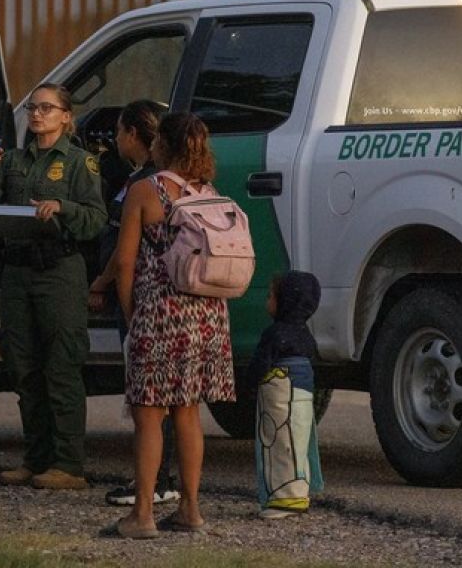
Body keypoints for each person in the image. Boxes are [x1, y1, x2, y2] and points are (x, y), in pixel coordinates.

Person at [0, 83, 107, 491]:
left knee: (61, 366)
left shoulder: (80, 163)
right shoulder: (12, 161)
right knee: (23, 367)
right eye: (34, 108)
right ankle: (36, 457)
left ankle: (68, 463)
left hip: (59, 270)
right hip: (17, 272)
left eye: (47, 108)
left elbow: (96, 219)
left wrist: (63, 207)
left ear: (66, 116)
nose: (37, 114)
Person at [113, 111, 235, 539]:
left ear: (161, 144)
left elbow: (126, 261)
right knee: (188, 414)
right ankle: (191, 507)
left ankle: (143, 513)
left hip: (161, 313)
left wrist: (133, 317)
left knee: (148, 417)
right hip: (207, 316)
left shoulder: (145, 190)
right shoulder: (209, 193)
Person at [88, 100, 180, 508]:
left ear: (132, 134)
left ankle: (157, 480)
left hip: (143, 298)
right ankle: (165, 481)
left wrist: (105, 284)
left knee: (149, 399)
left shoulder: (147, 184)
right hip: (153, 298)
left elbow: (125, 253)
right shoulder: (147, 180)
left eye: (120, 131)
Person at [249, 271, 324, 520]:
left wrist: (250, 384)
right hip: (303, 394)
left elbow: (260, 365)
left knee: (279, 440)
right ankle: (299, 492)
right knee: (298, 441)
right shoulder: (306, 335)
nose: (267, 300)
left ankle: (283, 498)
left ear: (285, 302)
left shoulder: (274, 334)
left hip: (279, 393)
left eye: (271, 295)